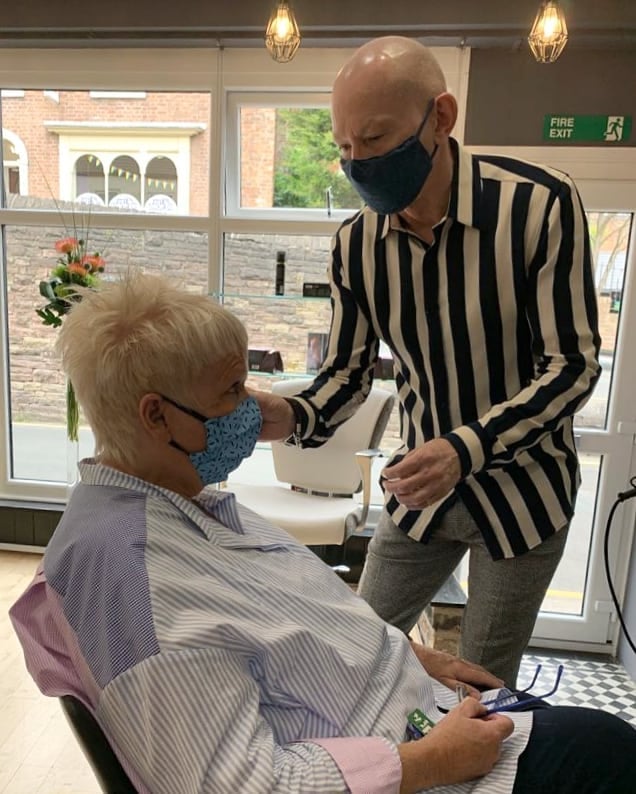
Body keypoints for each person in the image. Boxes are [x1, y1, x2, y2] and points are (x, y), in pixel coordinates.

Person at [9, 273, 634, 794]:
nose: (252, 407)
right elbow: (231, 785)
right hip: (420, 765)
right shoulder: (125, 576)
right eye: (231, 391)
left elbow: (292, 625)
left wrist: (415, 658)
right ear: (156, 415)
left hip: (421, 712)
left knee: (600, 743)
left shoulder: (182, 504)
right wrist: (429, 761)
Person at [256, 36, 602, 687]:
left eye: (376, 139)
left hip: (525, 498)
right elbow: (347, 376)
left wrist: (463, 450)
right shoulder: (356, 247)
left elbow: (571, 366)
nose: (358, 163)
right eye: (344, 148)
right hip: (419, 498)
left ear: (440, 118)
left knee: (479, 689)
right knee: (361, 657)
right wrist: (287, 414)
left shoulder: (538, 206)